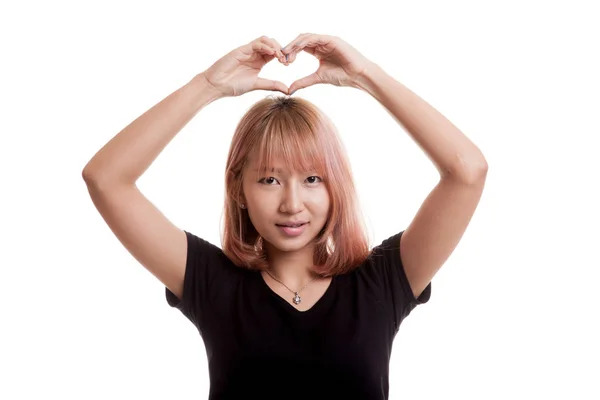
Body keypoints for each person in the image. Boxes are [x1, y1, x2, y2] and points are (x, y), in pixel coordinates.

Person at [82, 33, 488, 399]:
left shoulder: (380, 283)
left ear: (335, 187)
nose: (292, 204)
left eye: (312, 178)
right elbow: (106, 179)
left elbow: (467, 171)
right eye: (270, 180)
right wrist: (207, 86)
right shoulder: (214, 283)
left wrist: (366, 76)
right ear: (239, 188)